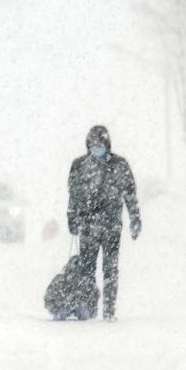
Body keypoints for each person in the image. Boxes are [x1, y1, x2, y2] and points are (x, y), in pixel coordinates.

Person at [67, 125, 141, 321]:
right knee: (86, 269)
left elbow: (130, 194)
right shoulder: (79, 165)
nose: (95, 147)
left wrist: (135, 218)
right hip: (88, 225)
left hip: (111, 226)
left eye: (99, 144)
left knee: (110, 268)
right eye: (92, 144)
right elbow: (73, 195)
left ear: (107, 144)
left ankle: (109, 311)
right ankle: (88, 308)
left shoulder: (120, 165)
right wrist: (72, 217)